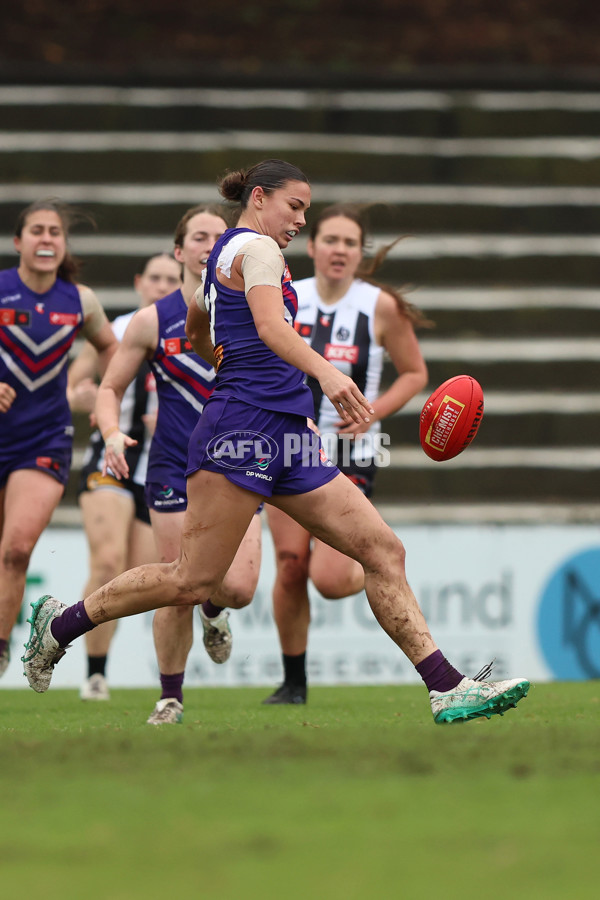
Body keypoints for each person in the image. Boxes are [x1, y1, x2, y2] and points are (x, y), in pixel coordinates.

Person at [22, 160, 530, 726]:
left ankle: (445, 686)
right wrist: (330, 377)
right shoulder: (258, 251)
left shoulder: (227, 257)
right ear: (259, 198)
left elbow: (196, 323)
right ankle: (60, 625)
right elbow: (269, 327)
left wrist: (233, 362)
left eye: (306, 210)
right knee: (193, 579)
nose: (301, 220)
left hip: (287, 434)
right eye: (296, 206)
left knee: (382, 549)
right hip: (240, 430)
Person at [91, 205, 262, 724]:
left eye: (219, 236)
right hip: (172, 465)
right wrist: (111, 431)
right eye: (199, 237)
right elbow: (109, 387)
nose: (210, 244)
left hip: (238, 462)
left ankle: (215, 610)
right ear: (179, 250)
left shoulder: (257, 308)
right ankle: (170, 696)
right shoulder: (151, 320)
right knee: (176, 583)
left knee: (237, 588)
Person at [263, 203, 432, 704]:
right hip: (290, 443)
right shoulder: (285, 296)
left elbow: (415, 373)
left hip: (352, 453)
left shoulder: (378, 306)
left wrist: (373, 412)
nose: (339, 250)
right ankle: (294, 683)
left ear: (361, 253)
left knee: (333, 581)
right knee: (291, 565)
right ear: (311, 246)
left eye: (349, 243)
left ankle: (373, 560)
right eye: (330, 240)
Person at [0, 199, 117, 678]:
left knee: (16, 549)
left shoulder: (80, 300)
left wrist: (107, 393)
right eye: (37, 231)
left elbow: (111, 347)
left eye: (55, 232)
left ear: (63, 246)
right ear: (19, 242)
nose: (46, 238)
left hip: (44, 438)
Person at [68, 253, 182, 701]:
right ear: (139, 282)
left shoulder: (196, 333)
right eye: (153, 277)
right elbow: (74, 390)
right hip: (109, 464)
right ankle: (95, 676)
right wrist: (97, 401)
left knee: (149, 576)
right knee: (107, 561)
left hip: (161, 472)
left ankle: (212, 610)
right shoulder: (116, 331)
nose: (161, 285)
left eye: (170, 279)